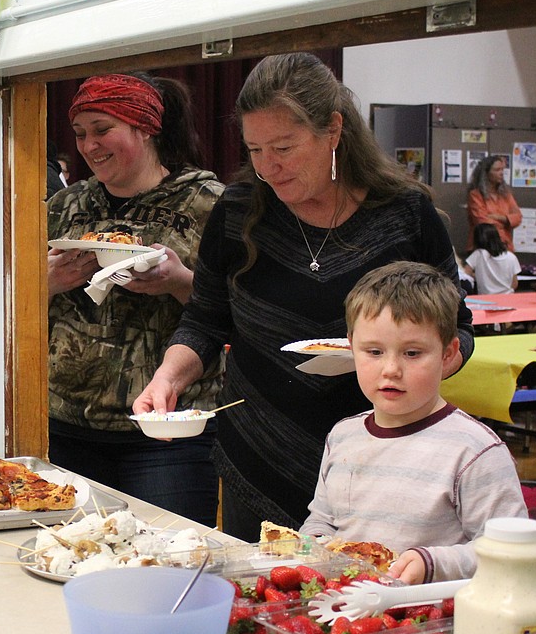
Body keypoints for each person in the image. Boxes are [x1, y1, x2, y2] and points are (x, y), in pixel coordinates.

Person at [133, 52, 474, 541]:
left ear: (333, 132)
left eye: (285, 148)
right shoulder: (238, 211)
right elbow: (205, 321)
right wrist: (167, 379)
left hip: (383, 455)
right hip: (259, 451)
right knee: (266, 600)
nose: (268, 167)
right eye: (255, 150)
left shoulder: (404, 213)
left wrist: (406, 363)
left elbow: (458, 332)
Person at [45, 72, 225, 526]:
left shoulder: (209, 204)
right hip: (66, 427)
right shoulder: (65, 207)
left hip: (168, 434)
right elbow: (9, 305)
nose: (89, 146)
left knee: (169, 567)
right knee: (73, 561)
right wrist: (43, 283)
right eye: (81, 134)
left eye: (103, 130)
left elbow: (233, 311)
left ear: (145, 128)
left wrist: (180, 279)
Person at [300, 261, 526, 584]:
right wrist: (313, 548)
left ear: (448, 355)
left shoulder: (475, 451)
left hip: (433, 621)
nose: (391, 369)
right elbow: (321, 522)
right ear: (351, 347)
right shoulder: (342, 436)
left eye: (412, 353)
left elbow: (510, 549)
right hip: (346, 612)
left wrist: (432, 562)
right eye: (374, 351)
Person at [467, 154, 522, 252]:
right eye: (497, 170)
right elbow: (482, 221)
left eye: (502, 170)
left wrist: (499, 217)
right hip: (483, 248)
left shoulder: (506, 194)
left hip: (506, 247)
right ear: (486, 173)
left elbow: (518, 217)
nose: (501, 173)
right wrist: (507, 222)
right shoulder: (475, 195)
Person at [464, 222, 521, 294]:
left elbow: (465, 273)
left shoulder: (479, 254)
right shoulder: (511, 256)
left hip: (486, 298)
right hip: (508, 297)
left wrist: (479, 275)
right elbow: (514, 284)